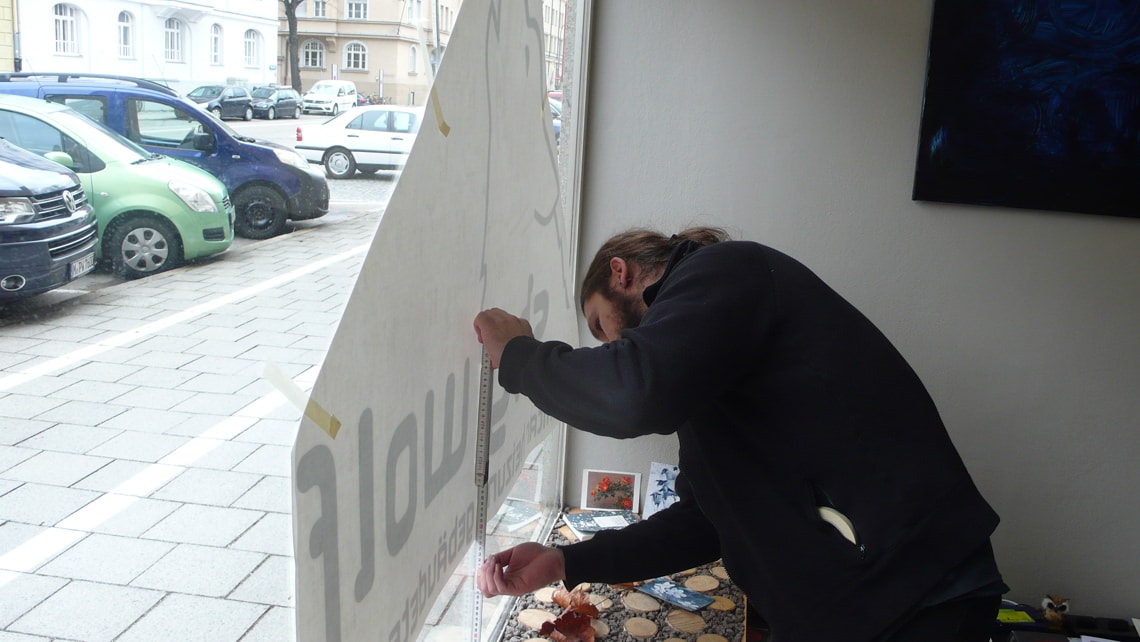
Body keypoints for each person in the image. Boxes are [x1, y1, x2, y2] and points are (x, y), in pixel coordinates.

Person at [473, 227, 1005, 642]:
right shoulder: (707, 370)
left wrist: (521, 356)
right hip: (856, 605)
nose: (607, 345)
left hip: (912, 594)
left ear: (622, 274)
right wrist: (568, 561)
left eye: (599, 326)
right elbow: (704, 520)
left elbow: (631, 395)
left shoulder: (727, 271)